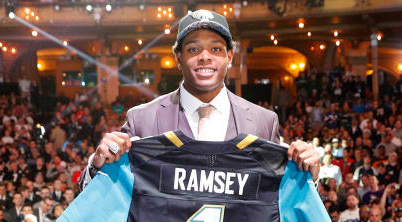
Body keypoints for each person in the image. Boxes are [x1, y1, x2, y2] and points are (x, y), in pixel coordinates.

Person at [79, 9, 320, 208]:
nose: (205, 57)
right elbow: (100, 197)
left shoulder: (263, 120)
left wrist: (308, 175)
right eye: (193, 49)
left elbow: (282, 202)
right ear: (178, 57)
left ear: (230, 56)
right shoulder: (142, 118)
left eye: (215, 49)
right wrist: (98, 163)